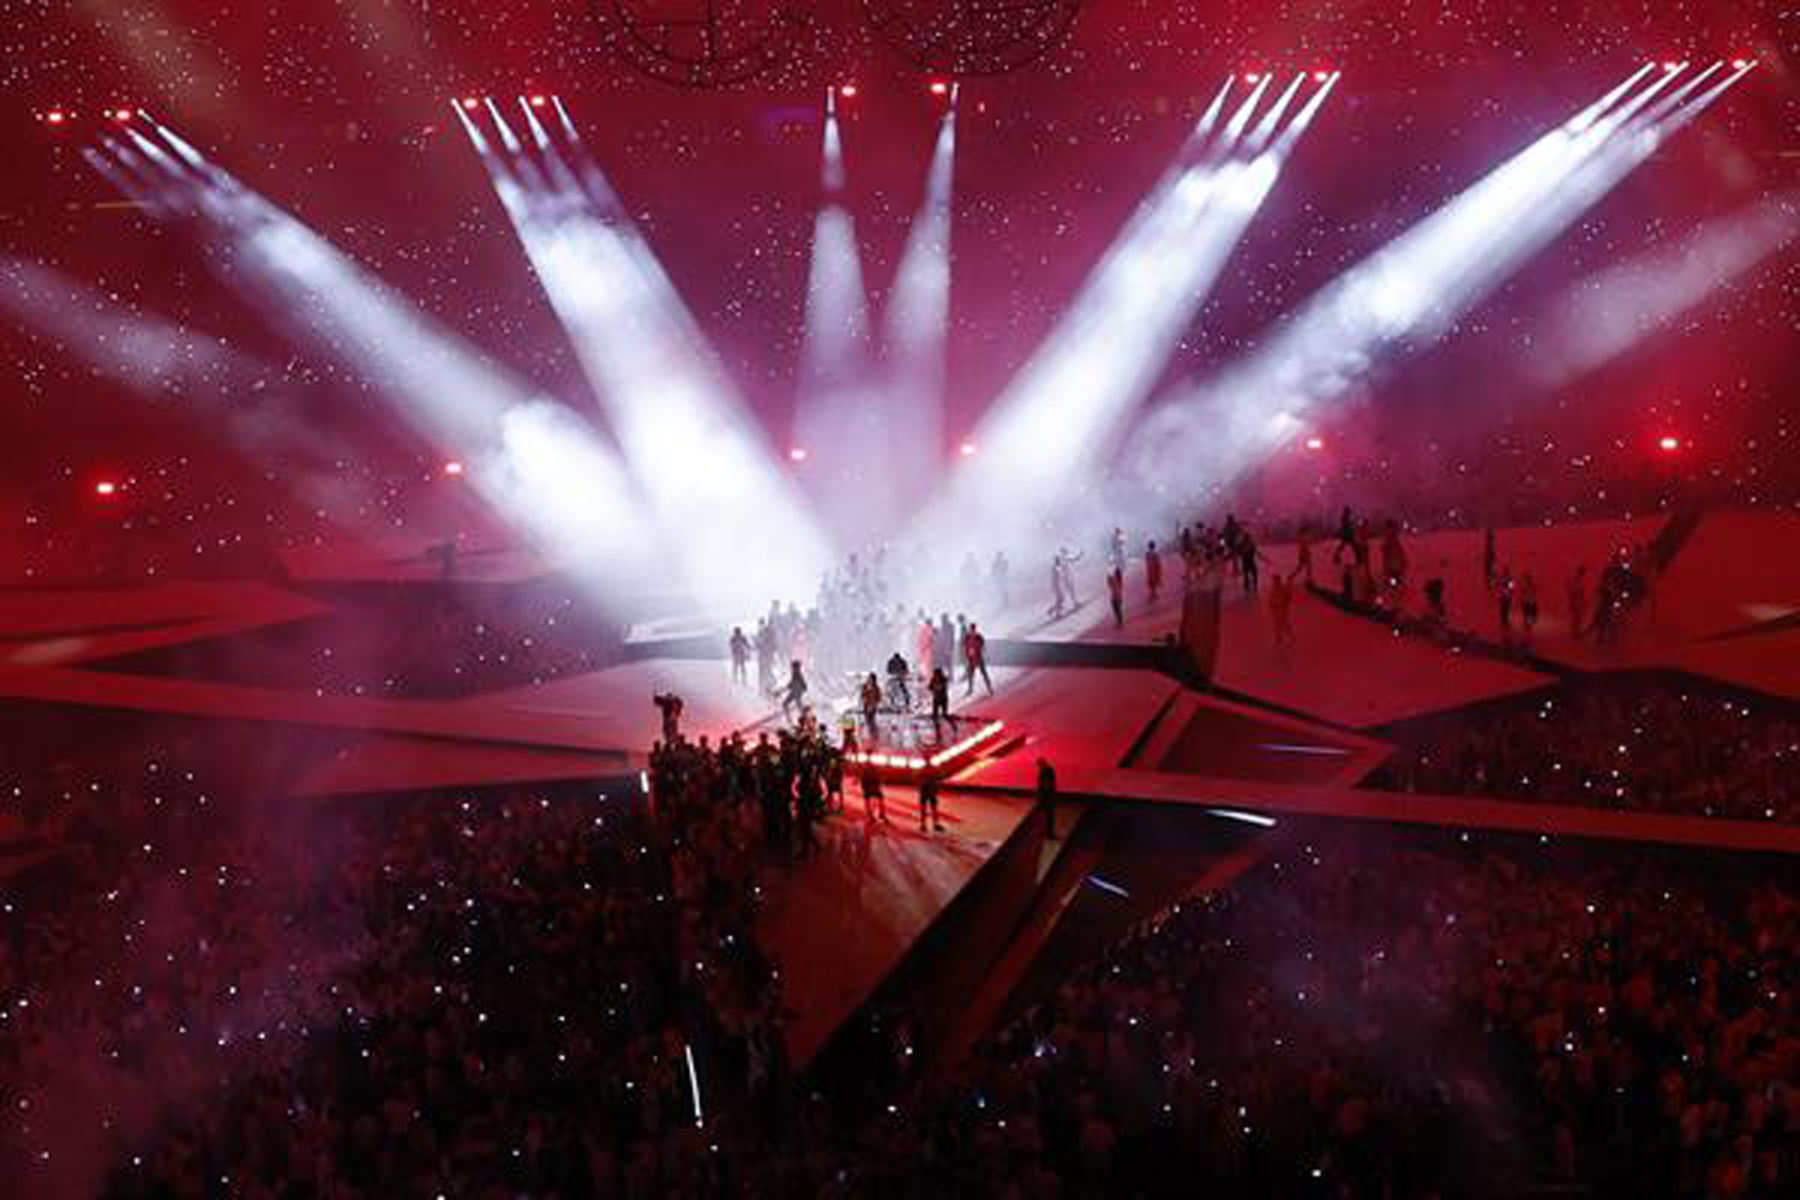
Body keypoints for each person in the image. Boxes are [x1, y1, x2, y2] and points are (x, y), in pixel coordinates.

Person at [962, 622, 993, 696]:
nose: (972, 631)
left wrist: (978, 650)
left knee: (984, 673)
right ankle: (970, 689)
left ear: (975, 629)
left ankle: (989, 688)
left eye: (973, 629)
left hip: (978, 658)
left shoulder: (979, 636)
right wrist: (967, 655)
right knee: (970, 675)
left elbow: (983, 646)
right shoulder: (967, 637)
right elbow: (965, 647)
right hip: (971, 659)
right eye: (971, 629)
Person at [1269, 571, 1294, 658]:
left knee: (1284, 623)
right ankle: (1279, 638)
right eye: (1274, 580)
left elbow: (1288, 597)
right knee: (1277, 625)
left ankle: (1290, 635)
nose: (1275, 582)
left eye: (1276, 580)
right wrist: (1272, 606)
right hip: (1277, 610)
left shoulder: (1282, 589)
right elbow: (1271, 600)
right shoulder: (1273, 589)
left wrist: (1285, 605)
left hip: (1283, 610)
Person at [1036, 756, 1059, 841]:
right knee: (1049, 816)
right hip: (1049, 798)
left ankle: (1048, 834)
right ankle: (1049, 833)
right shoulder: (1049, 770)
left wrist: (1041, 798)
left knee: (1047, 816)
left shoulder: (1045, 771)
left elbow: (1046, 786)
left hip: (1047, 798)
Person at [928, 667, 953, 740]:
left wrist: (937, 688)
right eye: (935, 675)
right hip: (936, 699)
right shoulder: (933, 680)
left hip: (943, 699)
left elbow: (943, 688)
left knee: (944, 714)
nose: (935, 676)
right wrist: (933, 689)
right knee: (934, 715)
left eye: (936, 675)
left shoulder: (943, 680)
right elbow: (929, 687)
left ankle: (953, 726)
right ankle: (937, 730)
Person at [1567, 564, 1588, 641]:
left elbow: (1581, 592)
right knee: (1576, 617)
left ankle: (1576, 631)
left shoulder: (1579, 580)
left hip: (1577, 601)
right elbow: (1571, 589)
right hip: (1575, 600)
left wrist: (1582, 600)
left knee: (1577, 617)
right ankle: (1575, 632)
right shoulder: (1575, 580)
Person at [860, 672, 883, 740]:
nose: (869, 680)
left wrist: (874, 704)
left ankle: (874, 737)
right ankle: (871, 736)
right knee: (868, 722)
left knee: (872, 723)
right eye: (868, 679)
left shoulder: (876, 688)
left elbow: (878, 697)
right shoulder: (865, 686)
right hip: (867, 706)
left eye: (870, 679)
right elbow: (863, 695)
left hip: (872, 707)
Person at [1520, 572, 1539, 641]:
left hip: (1529, 602)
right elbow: (1525, 593)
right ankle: (1527, 625)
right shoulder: (1525, 586)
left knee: (1529, 614)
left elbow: (1533, 594)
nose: (1525, 580)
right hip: (1527, 602)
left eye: (1526, 579)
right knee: (1527, 614)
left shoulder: (1530, 586)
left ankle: (1528, 624)